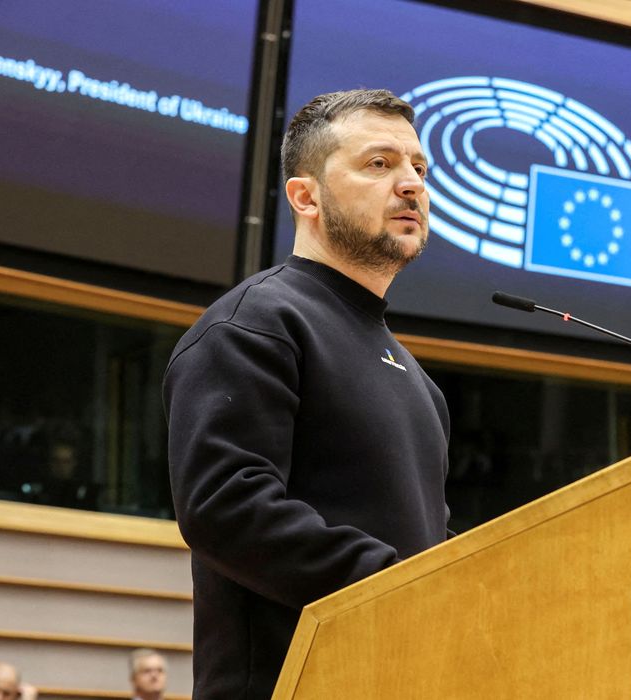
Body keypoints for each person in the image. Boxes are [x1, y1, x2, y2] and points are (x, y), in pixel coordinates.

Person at [163, 89, 452, 698]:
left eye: (419, 168)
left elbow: (428, 543)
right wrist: (401, 586)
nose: (411, 185)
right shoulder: (256, 323)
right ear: (306, 196)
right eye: (380, 164)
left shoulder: (419, 382)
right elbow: (227, 509)